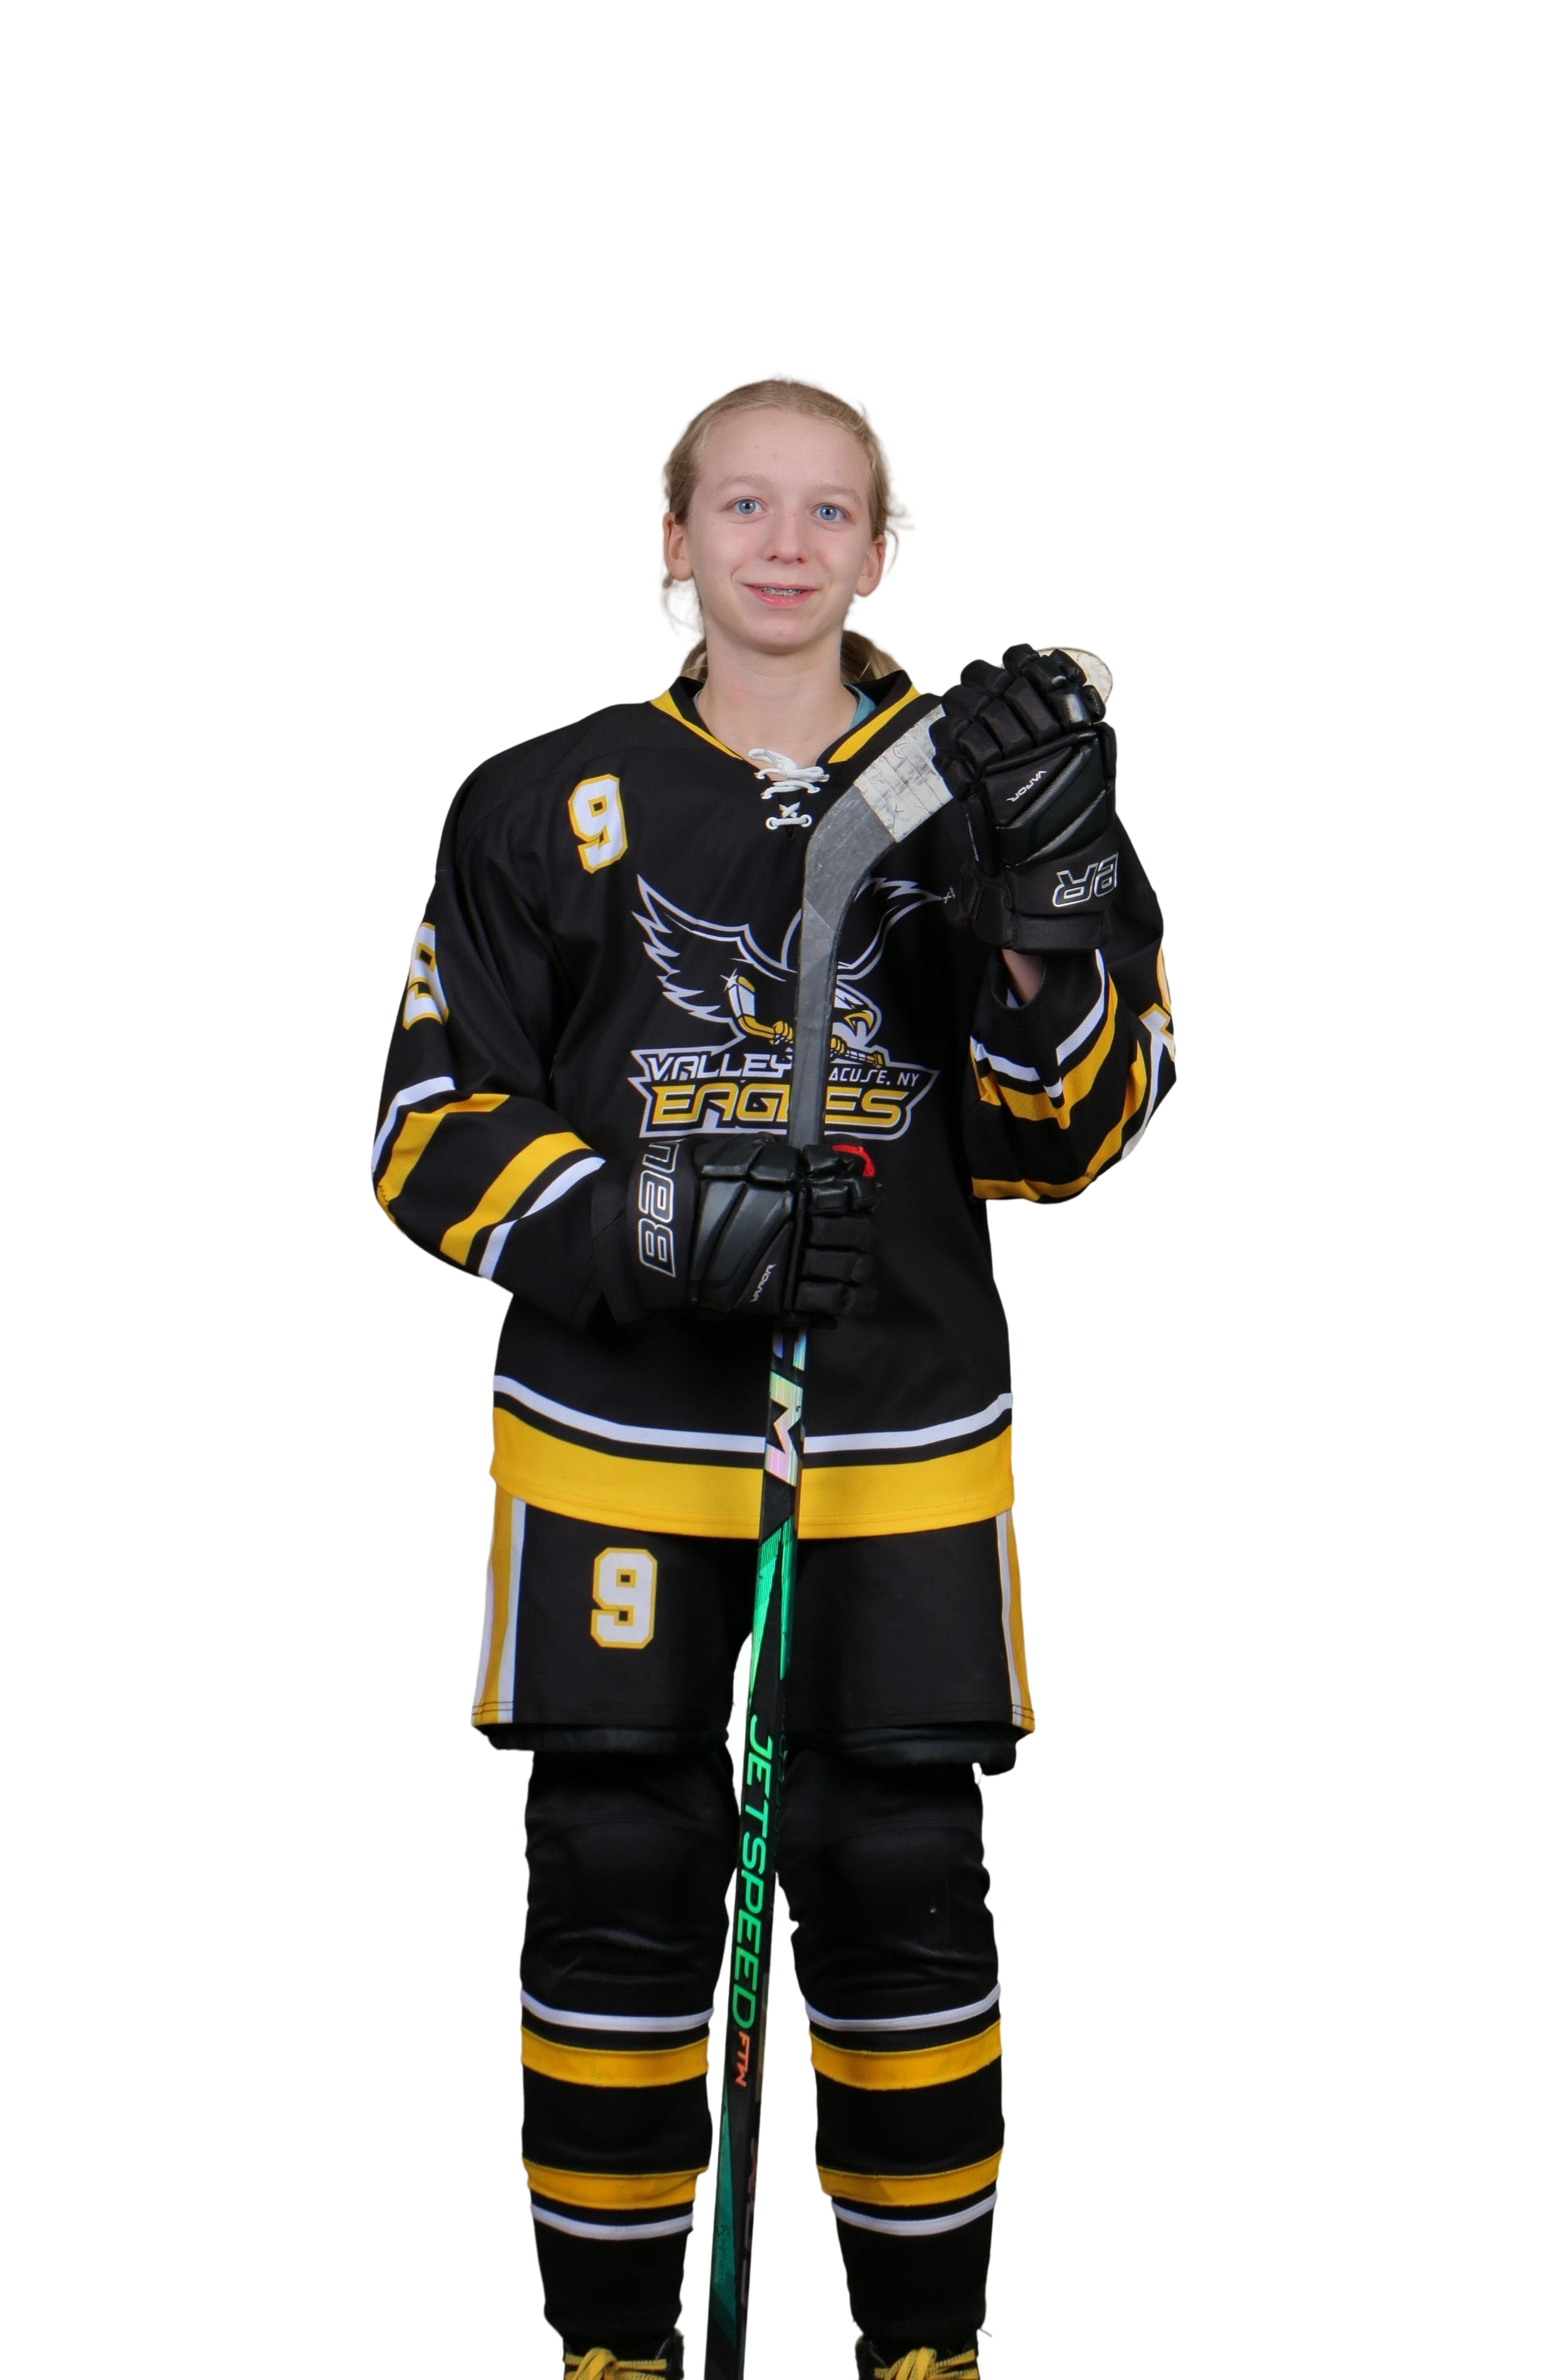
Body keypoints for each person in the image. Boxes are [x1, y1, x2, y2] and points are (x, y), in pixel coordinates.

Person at [367, 368, 1177, 2380]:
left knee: (902, 1886)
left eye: (829, 510)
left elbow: (1073, 1132)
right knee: (618, 1878)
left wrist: (1051, 912)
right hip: (614, 1452)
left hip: (901, 1439)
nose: (786, 543)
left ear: (884, 552)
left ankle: (927, 2351)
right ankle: (611, 2349)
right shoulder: (537, 799)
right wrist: (650, 1226)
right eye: (744, 504)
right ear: (675, 543)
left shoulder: (986, 779)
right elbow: (422, 1131)